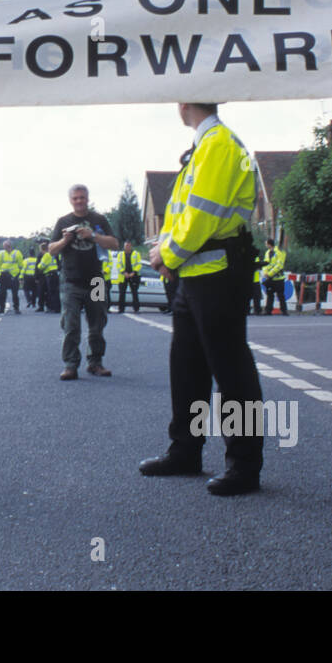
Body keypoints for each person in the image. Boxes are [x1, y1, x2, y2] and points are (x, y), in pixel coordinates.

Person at [140, 103, 263, 496]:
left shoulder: (218, 144)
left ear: (185, 102)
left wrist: (166, 254)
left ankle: (244, 465)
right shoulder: (204, 146)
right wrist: (169, 252)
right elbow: (184, 217)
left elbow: (202, 217)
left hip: (217, 275)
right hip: (194, 275)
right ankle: (185, 450)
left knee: (232, 372)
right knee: (188, 370)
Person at [49, 184, 118, 379]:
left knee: (97, 325)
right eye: (76, 198)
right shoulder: (63, 221)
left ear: (87, 198)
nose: (79, 201)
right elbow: (51, 250)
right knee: (71, 327)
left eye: (82, 197)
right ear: (71, 200)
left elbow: (114, 244)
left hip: (96, 280)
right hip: (71, 281)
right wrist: (65, 240)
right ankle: (71, 365)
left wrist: (93, 236)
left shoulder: (99, 220)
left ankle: (95, 363)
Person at [0, 239, 23, 314]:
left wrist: (19, 276)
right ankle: (1, 308)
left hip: (13, 275)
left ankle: (16, 308)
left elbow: (21, 265)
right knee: (2, 293)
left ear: (9, 246)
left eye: (6, 246)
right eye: (4, 246)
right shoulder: (2, 254)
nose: (5, 247)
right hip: (4, 275)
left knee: (15, 293)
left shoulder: (17, 253)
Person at [262, 238, 288, 315]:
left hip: (278, 278)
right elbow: (265, 263)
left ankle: (284, 311)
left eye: (266, 243)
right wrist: (265, 272)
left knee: (280, 295)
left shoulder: (279, 252)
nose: (265, 245)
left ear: (269, 244)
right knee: (269, 295)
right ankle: (268, 311)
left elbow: (279, 265)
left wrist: (269, 274)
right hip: (270, 278)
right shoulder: (267, 252)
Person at [118, 241, 143, 313]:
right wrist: (123, 272)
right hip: (123, 276)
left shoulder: (136, 254)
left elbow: (139, 264)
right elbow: (118, 265)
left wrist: (134, 272)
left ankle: (136, 309)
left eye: (128, 246)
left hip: (134, 276)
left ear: (131, 246)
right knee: (122, 293)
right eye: (125, 246)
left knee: (134, 293)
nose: (127, 247)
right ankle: (121, 309)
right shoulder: (120, 254)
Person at [37, 246, 59, 312]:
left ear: (42, 249)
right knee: (55, 291)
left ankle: (53, 307)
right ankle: (56, 307)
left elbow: (41, 265)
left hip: (49, 274)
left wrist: (38, 266)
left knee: (51, 292)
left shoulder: (46, 255)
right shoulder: (53, 254)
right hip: (55, 273)